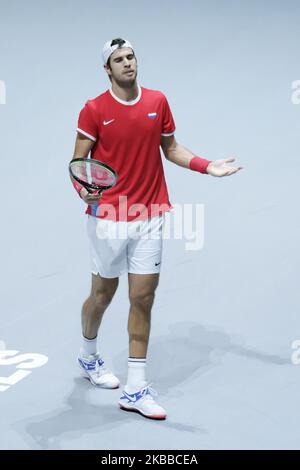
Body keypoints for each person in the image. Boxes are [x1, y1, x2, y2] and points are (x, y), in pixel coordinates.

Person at [71, 38, 243, 420]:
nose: (128, 64)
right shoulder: (94, 110)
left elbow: (172, 148)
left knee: (143, 299)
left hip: (150, 215)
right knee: (101, 295)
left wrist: (205, 165)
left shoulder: (157, 102)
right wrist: (84, 191)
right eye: (118, 60)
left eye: (131, 56)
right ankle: (88, 355)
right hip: (108, 218)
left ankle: (135, 387)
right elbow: (78, 162)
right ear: (107, 69)